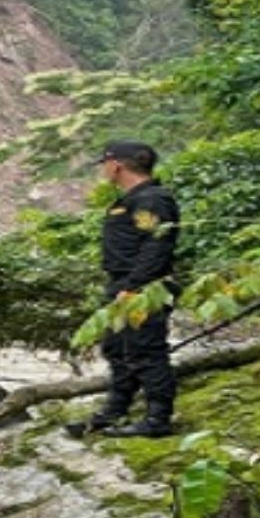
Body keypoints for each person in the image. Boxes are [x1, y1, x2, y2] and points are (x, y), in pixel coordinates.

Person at [69, 139, 181, 438]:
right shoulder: (131, 199)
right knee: (117, 348)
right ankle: (116, 410)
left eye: (104, 163)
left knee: (146, 350)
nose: (103, 170)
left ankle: (158, 418)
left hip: (144, 288)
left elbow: (156, 245)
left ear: (116, 164)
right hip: (123, 284)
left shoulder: (151, 199)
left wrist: (133, 286)